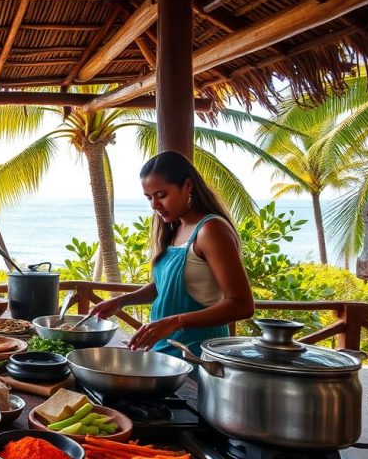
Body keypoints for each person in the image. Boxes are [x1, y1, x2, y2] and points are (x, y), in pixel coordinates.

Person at [90, 151, 255, 357]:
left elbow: (242, 305)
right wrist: (122, 301)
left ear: (188, 186)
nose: (154, 205)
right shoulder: (175, 228)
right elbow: (166, 286)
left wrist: (175, 322)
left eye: (162, 195)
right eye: (149, 198)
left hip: (198, 355)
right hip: (165, 351)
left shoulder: (210, 230)